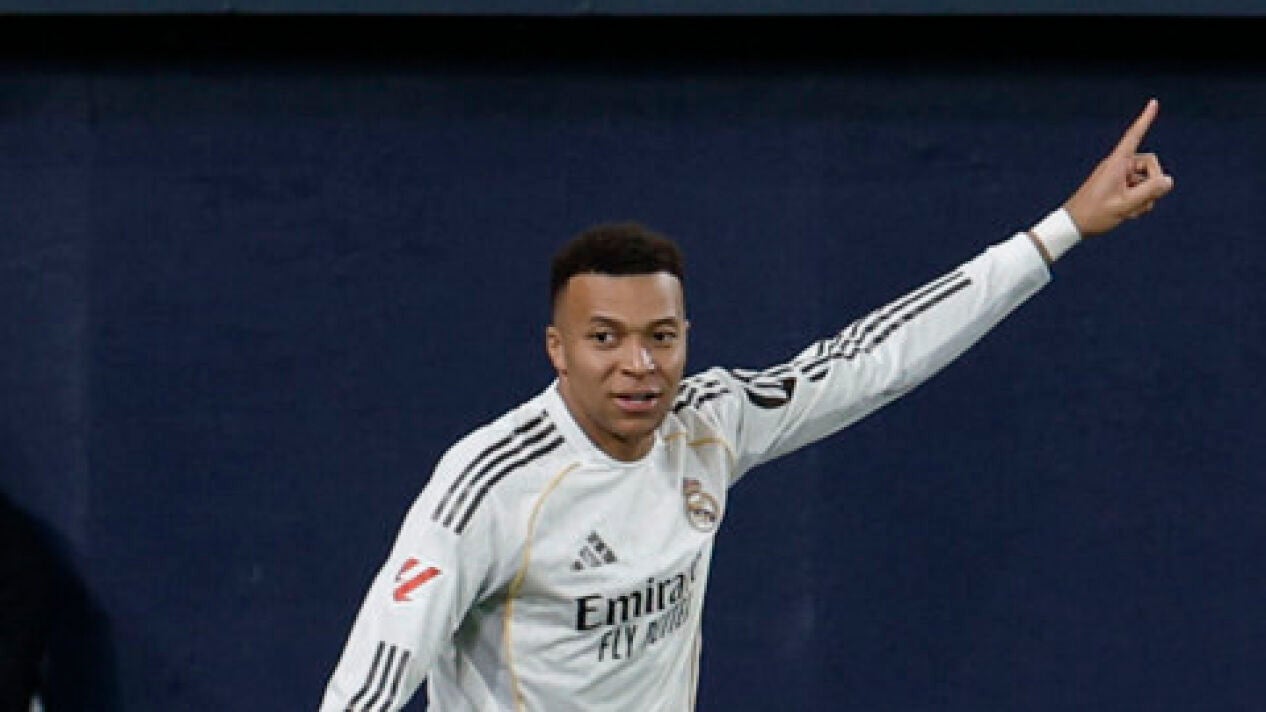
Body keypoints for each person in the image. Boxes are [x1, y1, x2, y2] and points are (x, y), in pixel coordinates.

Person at [320, 100, 1174, 711]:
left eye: (661, 336)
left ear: (687, 336)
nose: (639, 365)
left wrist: (1061, 229)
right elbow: (372, 680)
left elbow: (874, 358)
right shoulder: (488, 485)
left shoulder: (711, 422)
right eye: (605, 338)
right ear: (557, 348)